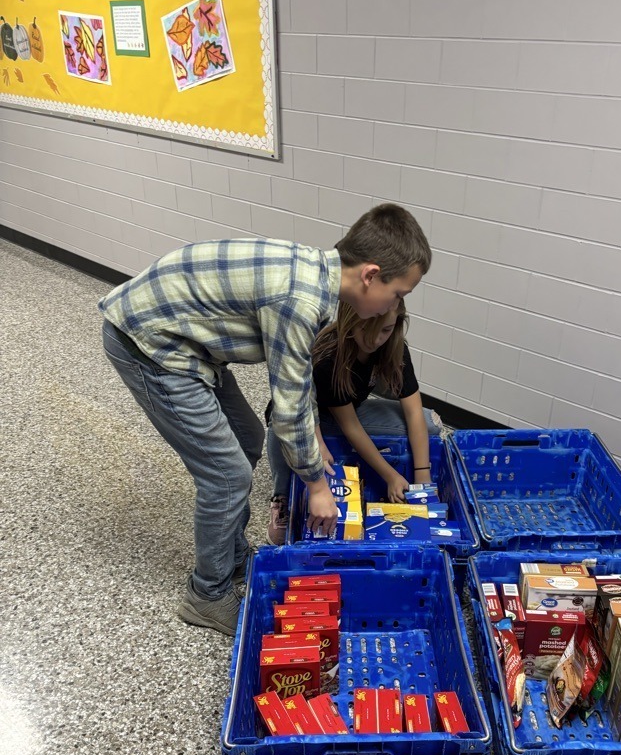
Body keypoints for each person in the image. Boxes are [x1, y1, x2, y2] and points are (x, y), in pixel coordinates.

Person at [99, 203, 431, 635]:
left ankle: (233, 555)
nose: (396, 304)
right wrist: (316, 485)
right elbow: (289, 406)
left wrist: (313, 439)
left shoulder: (317, 276)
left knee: (248, 437)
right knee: (228, 474)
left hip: (188, 342)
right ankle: (207, 593)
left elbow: (297, 383)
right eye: (399, 293)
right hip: (150, 343)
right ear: (370, 275)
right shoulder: (300, 300)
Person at [266, 297, 441, 545]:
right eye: (366, 329)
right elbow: (351, 428)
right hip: (312, 416)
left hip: (349, 407)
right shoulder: (330, 356)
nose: (375, 339)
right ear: (350, 321)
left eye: (385, 330)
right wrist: (390, 475)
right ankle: (282, 497)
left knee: (429, 422)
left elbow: (413, 410)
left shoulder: (394, 346)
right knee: (280, 425)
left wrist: (423, 475)